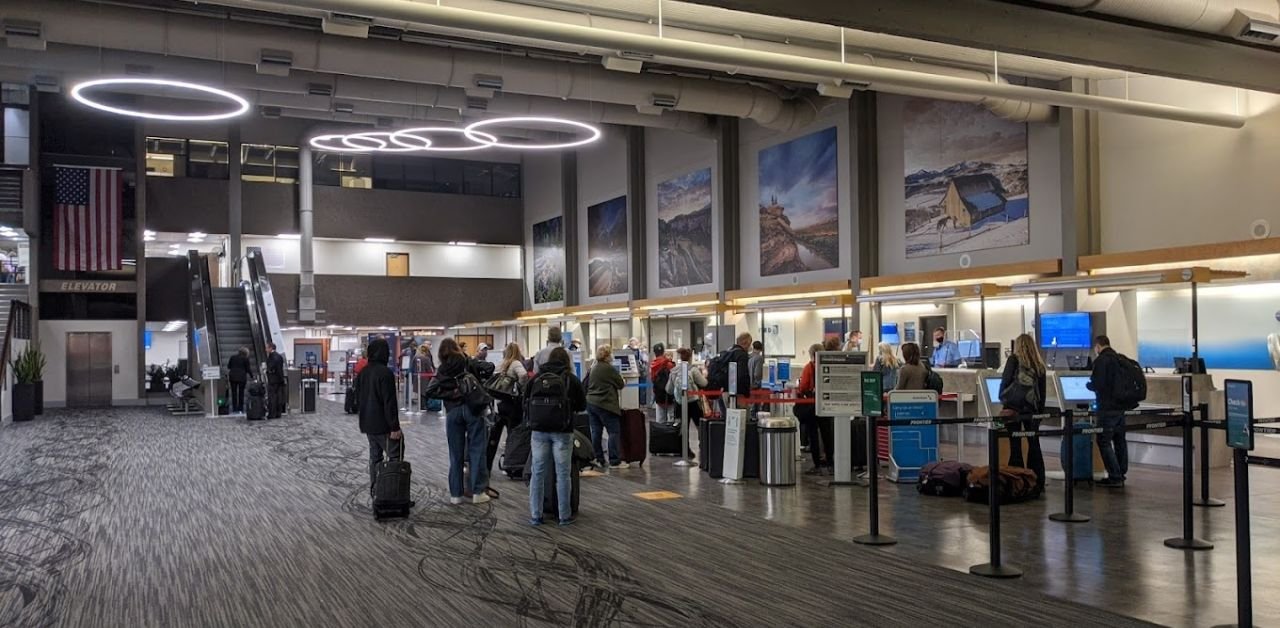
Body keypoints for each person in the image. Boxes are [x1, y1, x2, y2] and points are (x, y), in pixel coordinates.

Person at [526, 347, 587, 526]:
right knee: (563, 473)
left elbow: (525, 402)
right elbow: (582, 405)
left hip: (538, 431)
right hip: (563, 431)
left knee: (537, 472)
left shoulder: (536, 378)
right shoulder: (571, 380)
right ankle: (564, 515)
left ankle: (536, 515)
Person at [429, 337, 492, 505]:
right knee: (477, 450)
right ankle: (478, 491)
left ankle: (455, 494)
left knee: (455, 453)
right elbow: (489, 368)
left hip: (453, 412)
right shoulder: (467, 362)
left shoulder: (442, 369)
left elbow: (430, 390)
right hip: (473, 409)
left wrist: (451, 394)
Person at [354, 338, 403, 498]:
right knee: (395, 456)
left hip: (367, 423)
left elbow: (357, 397)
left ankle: (375, 490)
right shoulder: (385, 373)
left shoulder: (363, 372)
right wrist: (395, 426)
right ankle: (392, 492)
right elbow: (389, 403)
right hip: (384, 424)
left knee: (375, 457)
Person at [1000, 334, 1047, 495]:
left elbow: (1005, 382)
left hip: (1012, 408)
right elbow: (1042, 394)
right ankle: (1038, 481)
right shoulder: (1039, 365)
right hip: (1031, 410)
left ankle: (1017, 480)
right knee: (1034, 444)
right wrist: (1039, 415)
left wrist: (1003, 399)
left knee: (1015, 444)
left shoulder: (1013, 360)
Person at [1088, 335, 1128, 488]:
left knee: (1103, 440)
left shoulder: (1101, 361)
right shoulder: (1119, 359)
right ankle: (1121, 472)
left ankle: (1115, 475)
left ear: (1098, 346)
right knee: (1119, 440)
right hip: (1120, 407)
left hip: (1107, 408)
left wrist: (1088, 386)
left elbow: (1098, 384)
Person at [487, 342, 529, 475]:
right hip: (512, 405)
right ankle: (511, 465)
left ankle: (487, 466)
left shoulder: (501, 363)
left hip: (499, 405)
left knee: (494, 437)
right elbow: (523, 375)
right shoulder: (516, 363)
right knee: (513, 435)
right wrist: (520, 387)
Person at [586, 344, 627, 469]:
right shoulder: (608, 368)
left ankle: (599, 459)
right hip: (606, 404)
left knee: (596, 432)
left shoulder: (594, 366)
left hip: (591, 403)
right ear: (607, 356)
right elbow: (620, 384)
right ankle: (614, 460)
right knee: (613, 432)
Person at [795, 343, 831, 474]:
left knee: (813, 434)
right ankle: (830, 462)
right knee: (827, 433)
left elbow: (803, 387)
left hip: (811, 405)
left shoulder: (808, 368)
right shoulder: (828, 366)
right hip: (826, 404)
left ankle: (817, 463)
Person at [665, 347, 708, 430]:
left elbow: (668, 390)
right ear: (690, 357)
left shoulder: (674, 371)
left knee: (681, 430)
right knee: (700, 427)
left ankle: (683, 443)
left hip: (679, 403)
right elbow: (704, 383)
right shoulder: (693, 370)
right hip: (693, 402)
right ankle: (702, 442)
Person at [650, 343, 674, 423]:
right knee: (671, 418)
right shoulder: (669, 364)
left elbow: (652, 379)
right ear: (663, 352)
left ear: (654, 352)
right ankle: (671, 434)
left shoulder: (653, 364)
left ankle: (661, 434)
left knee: (660, 419)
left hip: (659, 394)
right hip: (669, 394)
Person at [226, 346, 252, 414]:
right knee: (241, 393)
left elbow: (228, 366)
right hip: (242, 377)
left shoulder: (232, 357)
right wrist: (252, 376)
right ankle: (240, 409)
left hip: (232, 377)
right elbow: (248, 369)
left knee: (234, 393)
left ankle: (234, 409)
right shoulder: (245, 359)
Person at [265, 342, 286, 418]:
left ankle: (272, 413)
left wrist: (267, 370)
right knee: (278, 397)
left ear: (271, 348)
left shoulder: (271, 357)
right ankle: (278, 412)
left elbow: (271, 368)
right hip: (279, 380)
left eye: (267, 347)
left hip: (273, 380)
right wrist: (282, 380)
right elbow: (280, 370)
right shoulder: (279, 356)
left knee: (272, 397)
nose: (266, 349)